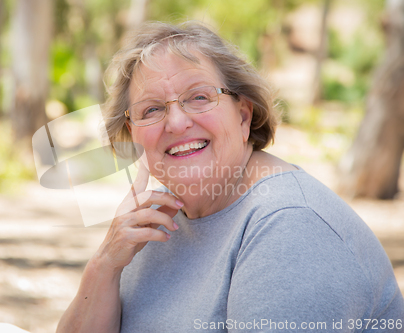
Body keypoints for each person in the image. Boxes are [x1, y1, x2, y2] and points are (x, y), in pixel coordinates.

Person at [57, 21, 404, 333]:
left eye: (199, 97)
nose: (176, 123)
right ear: (132, 134)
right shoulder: (153, 221)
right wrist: (105, 264)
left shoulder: (289, 225)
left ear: (242, 115)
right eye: (152, 109)